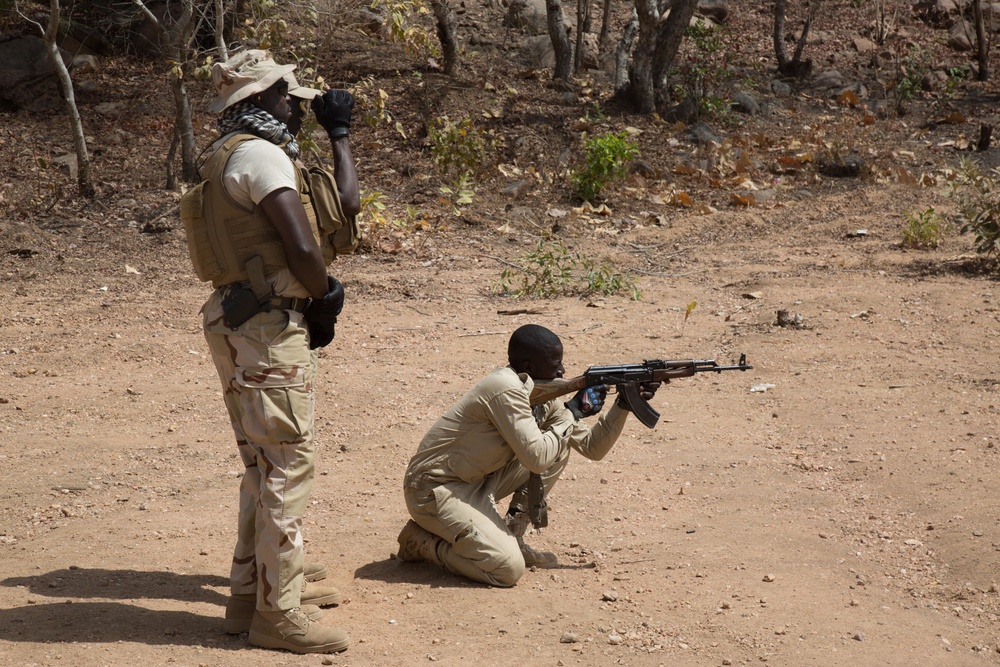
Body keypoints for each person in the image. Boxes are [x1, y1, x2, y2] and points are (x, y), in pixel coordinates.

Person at [192, 48, 360, 654]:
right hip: (268, 328)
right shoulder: (263, 158)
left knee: (261, 464)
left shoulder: (224, 153)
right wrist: (326, 295)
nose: (293, 103)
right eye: (285, 94)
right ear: (258, 99)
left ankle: (250, 593)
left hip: (237, 319)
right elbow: (303, 247)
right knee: (289, 465)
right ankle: (277, 614)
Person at [396, 324, 661, 587]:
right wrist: (573, 412)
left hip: (476, 480)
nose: (562, 371)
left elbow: (593, 447)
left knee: (559, 442)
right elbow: (536, 459)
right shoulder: (505, 389)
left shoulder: (543, 397)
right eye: (556, 363)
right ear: (530, 366)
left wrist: (624, 403)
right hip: (434, 488)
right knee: (506, 569)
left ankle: (514, 534)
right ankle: (423, 543)